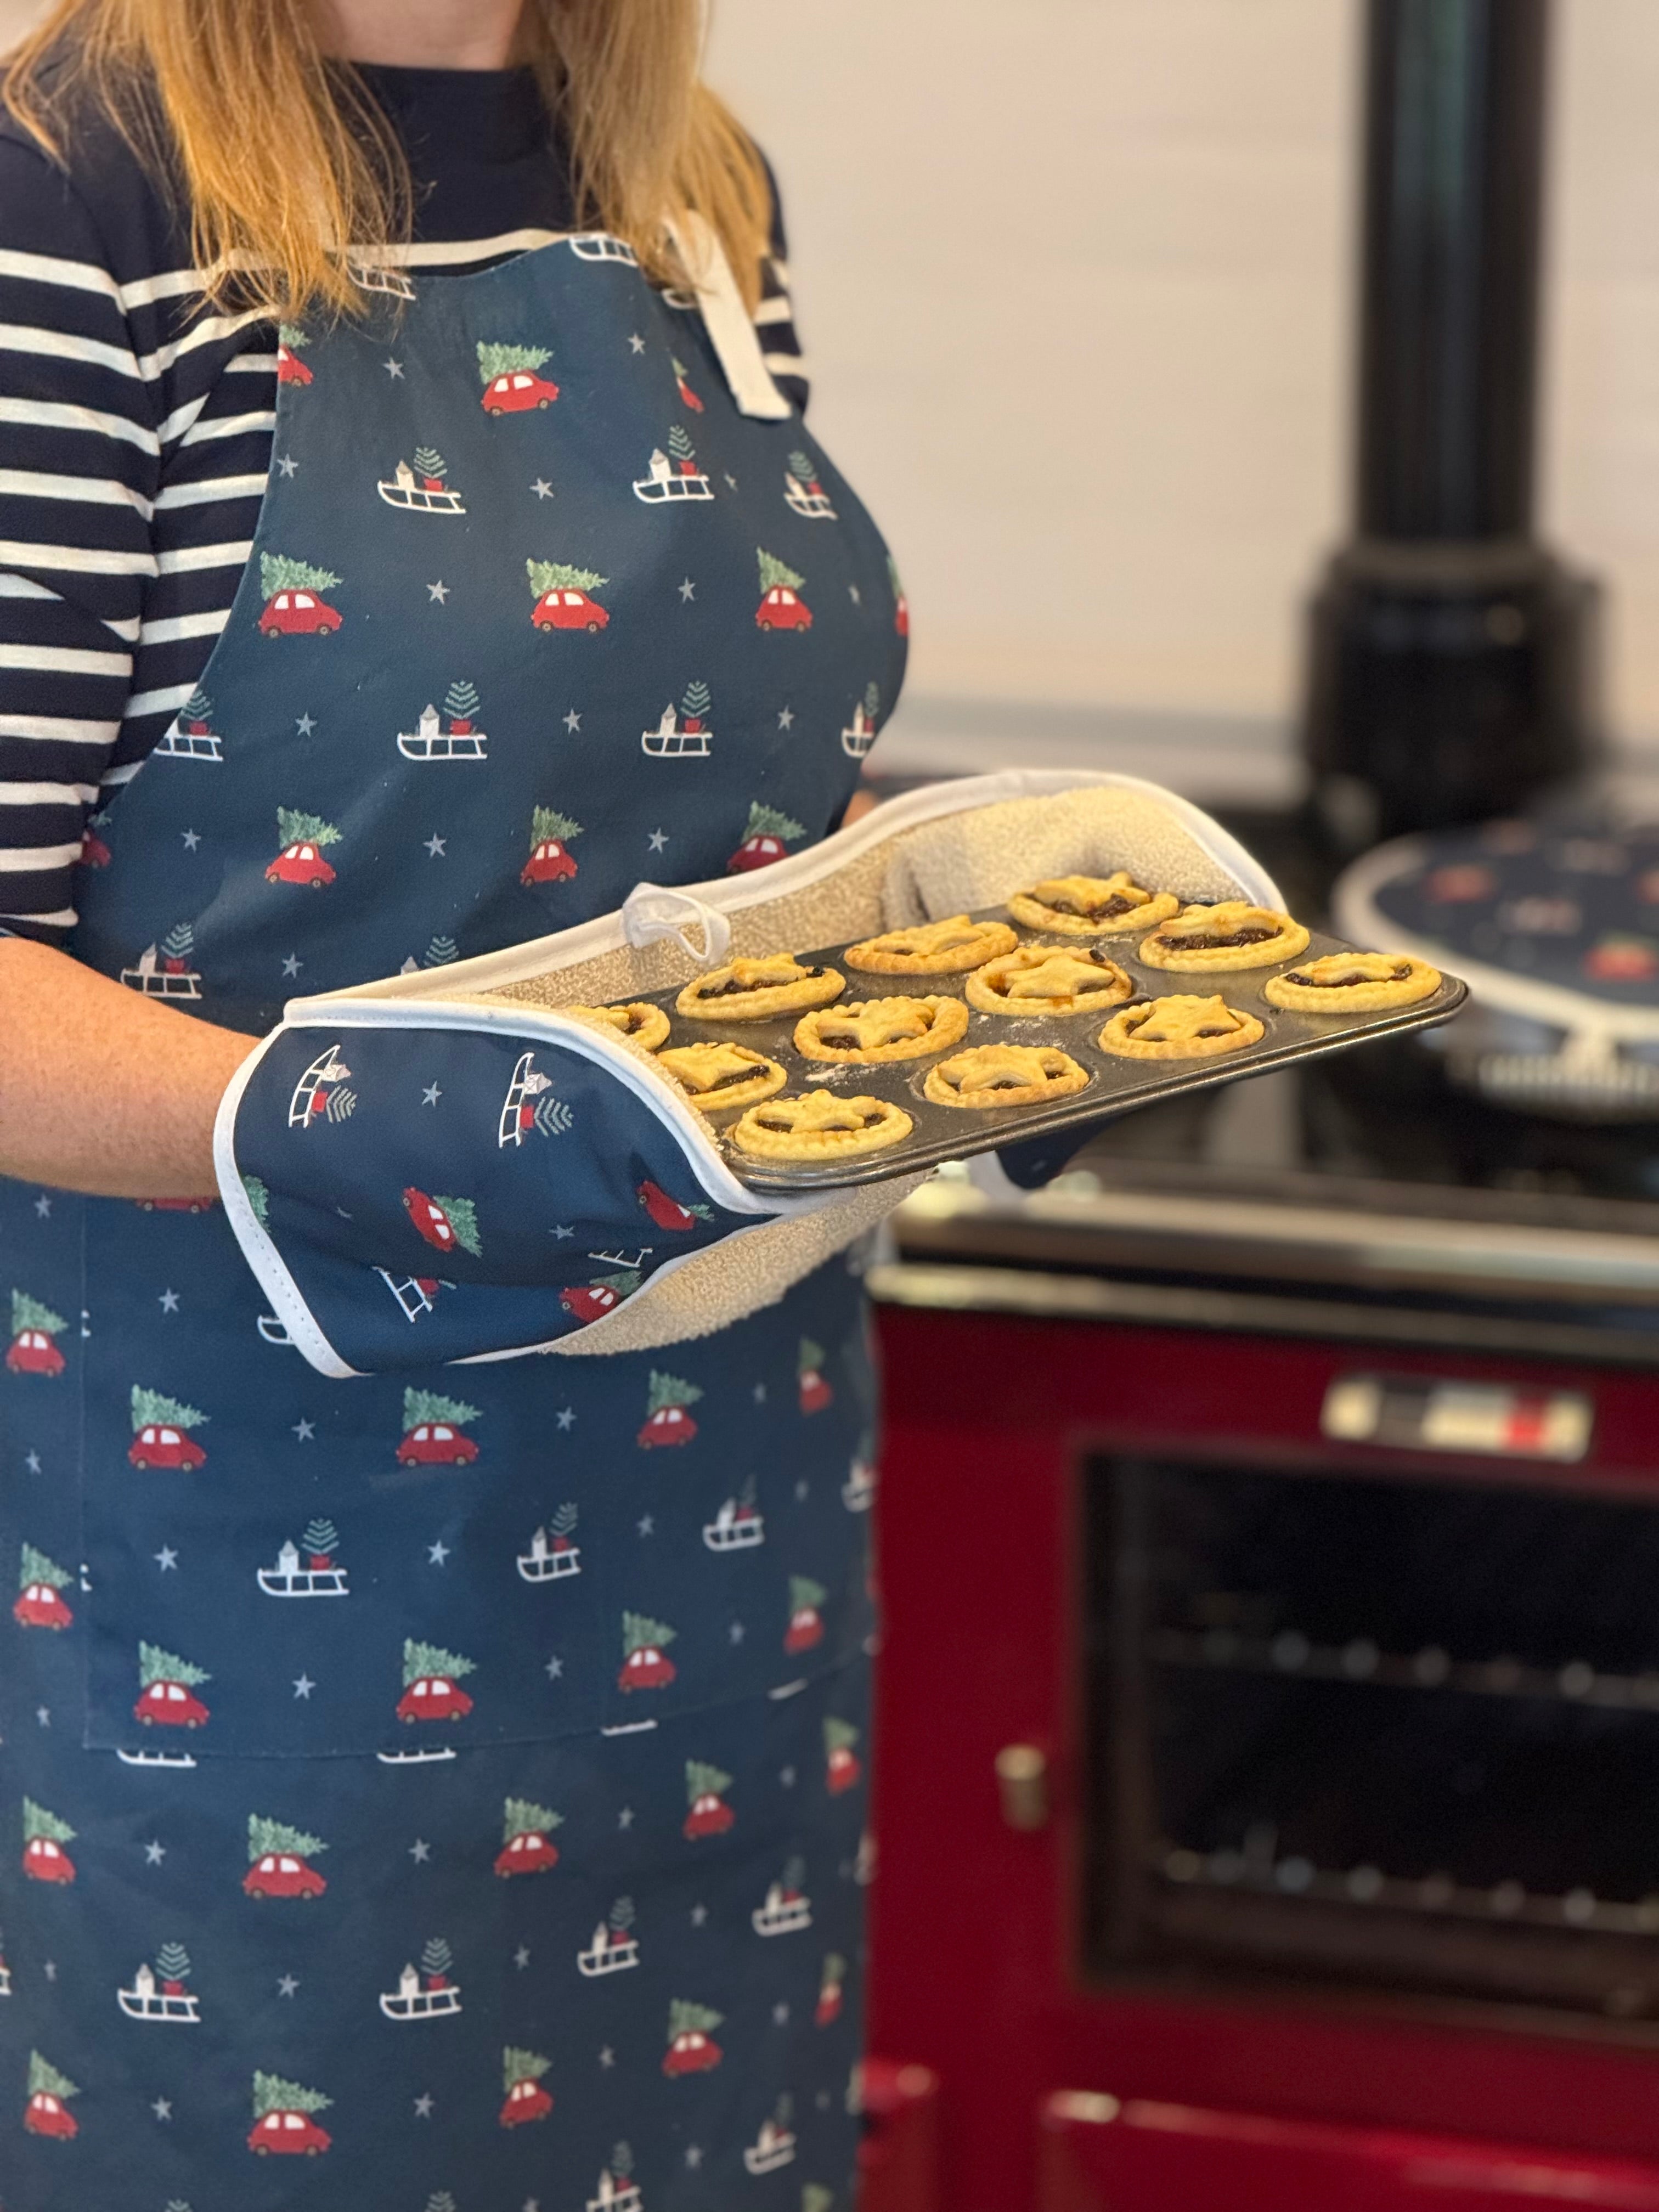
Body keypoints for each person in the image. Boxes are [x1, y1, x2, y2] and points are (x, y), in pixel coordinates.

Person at [0, 2, 905, 2204]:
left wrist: (918, 1004)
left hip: (722, 1562)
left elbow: (732, 800)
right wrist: (326, 1134)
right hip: (229, 1582)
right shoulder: (67, 206)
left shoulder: (696, 186)